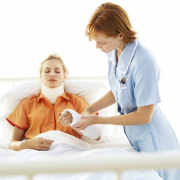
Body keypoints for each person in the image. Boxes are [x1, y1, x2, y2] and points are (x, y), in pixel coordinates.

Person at [71, 2, 180, 180]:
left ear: (120, 34)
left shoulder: (144, 61)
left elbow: (144, 116)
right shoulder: (114, 52)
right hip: (135, 135)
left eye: (102, 42)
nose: (98, 47)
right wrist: (89, 110)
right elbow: (119, 90)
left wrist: (99, 120)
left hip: (153, 138)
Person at [6, 54, 101, 151]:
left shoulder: (77, 101)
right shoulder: (26, 104)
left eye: (57, 71)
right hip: (37, 153)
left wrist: (76, 119)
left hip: (70, 150)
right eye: (47, 71)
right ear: (41, 76)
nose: (52, 74)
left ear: (64, 75)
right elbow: (13, 144)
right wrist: (27, 144)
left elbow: (97, 136)